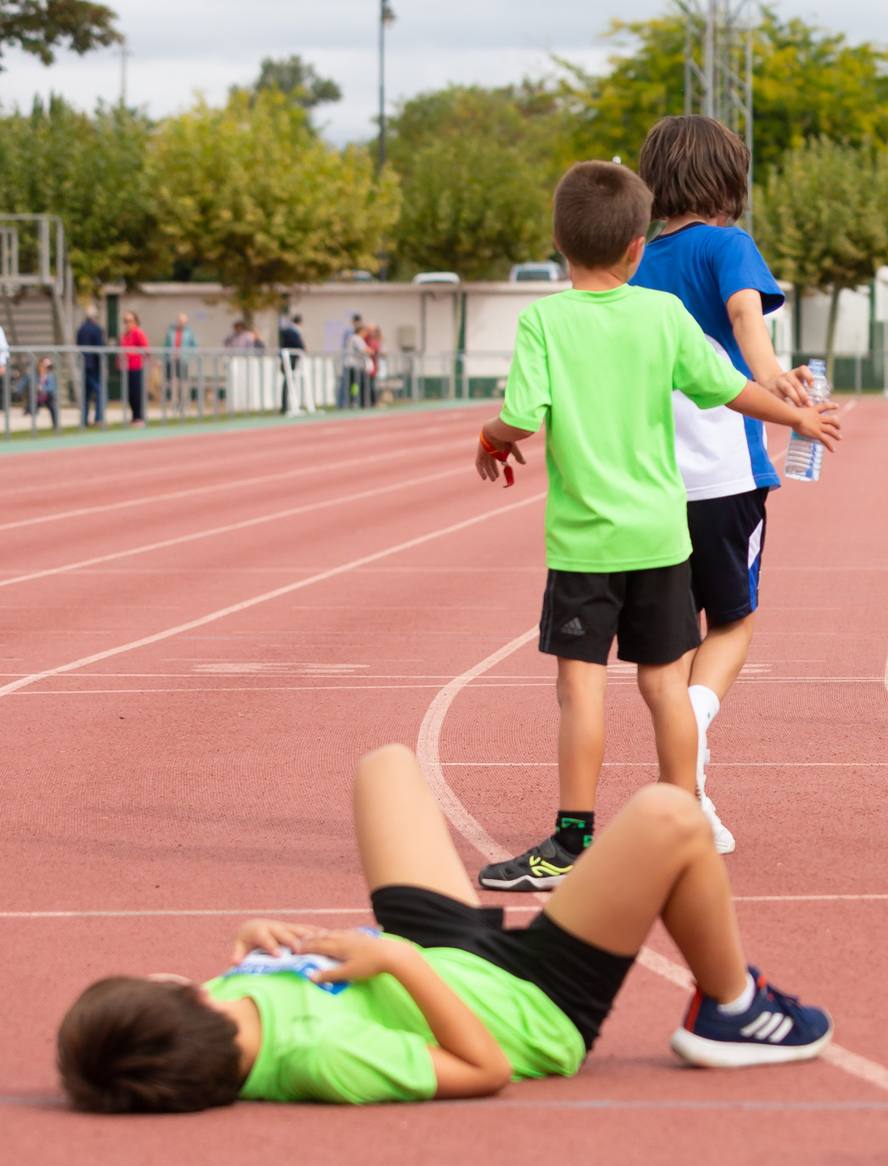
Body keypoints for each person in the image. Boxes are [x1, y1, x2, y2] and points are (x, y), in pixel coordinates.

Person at [53, 745, 834, 1112]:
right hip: (526, 1003)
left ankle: (730, 1001)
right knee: (670, 816)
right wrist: (392, 960)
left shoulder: (221, 1013)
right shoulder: (325, 1063)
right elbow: (483, 1067)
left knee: (385, 765)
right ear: (164, 995)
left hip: (441, 955)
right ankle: (732, 1008)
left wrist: (264, 937)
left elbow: (288, 983)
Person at [471, 160, 839, 893]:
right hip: (662, 536)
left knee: (581, 690)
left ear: (557, 243)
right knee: (666, 686)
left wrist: (490, 439)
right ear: (638, 248)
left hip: (585, 542)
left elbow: (521, 418)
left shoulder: (544, 320)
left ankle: (571, 843)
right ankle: (682, 824)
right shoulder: (662, 316)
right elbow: (728, 387)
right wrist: (796, 413)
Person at [628, 113, 820, 855]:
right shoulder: (728, 245)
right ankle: (696, 725)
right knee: (733, 622)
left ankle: (686, 784)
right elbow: (745, 312)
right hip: (724, 474)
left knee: (665, 644)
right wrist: (772, 376)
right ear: (728, 179)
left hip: (645, 479)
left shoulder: (635, 258)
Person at [75, 305, 105, 427]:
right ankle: (98, 418)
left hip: (83, 364)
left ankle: (84, 420)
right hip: (94, 365)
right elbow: (100, 347)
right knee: (99, 392)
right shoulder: (97, 329)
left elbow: (78, 344)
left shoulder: (81, 329)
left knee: (86, 394)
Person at [164, 312, 197, 414]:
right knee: (173, 382)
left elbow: (194, 345)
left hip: (183, 360)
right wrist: (166, 357)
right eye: (180, 321)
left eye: (183, 321)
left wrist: (189, 355)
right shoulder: (171, 332)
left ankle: (184, 404)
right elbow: (166, 345)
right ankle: (174, 403)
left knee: (184, 383)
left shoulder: (189, 332)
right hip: (172, 359)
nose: (181, 323)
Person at [118, 310, 147, 425]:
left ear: (135, 321)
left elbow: (145, 348)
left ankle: (139, 417)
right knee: (129, 393)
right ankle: (134, 417)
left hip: (136, 366)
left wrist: (132, 353)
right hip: (126, 367)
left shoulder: (138, 332)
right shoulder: (124, 335)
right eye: (125, 321)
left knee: (136, 393)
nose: (127, 324)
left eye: (130, 321)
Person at [277, 313, 306, 416]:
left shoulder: (288, 331)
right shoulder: (293, 332)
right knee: (288, 382)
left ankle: (287, 406)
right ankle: (285, 406)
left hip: (287, 359)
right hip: (290, 360)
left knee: (289, 382)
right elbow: (298, 345)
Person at [26, 354, 59, 430]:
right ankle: (30, 413)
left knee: (52, 406)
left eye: (48, 365)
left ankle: (55, 426)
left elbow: (52, 387)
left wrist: (43, 388)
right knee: (33, 407)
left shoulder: (51, 375)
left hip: (47, 396)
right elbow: (28, 383)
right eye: (45, 364)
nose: (47, 367)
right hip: (37, 396)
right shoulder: (34, 374)